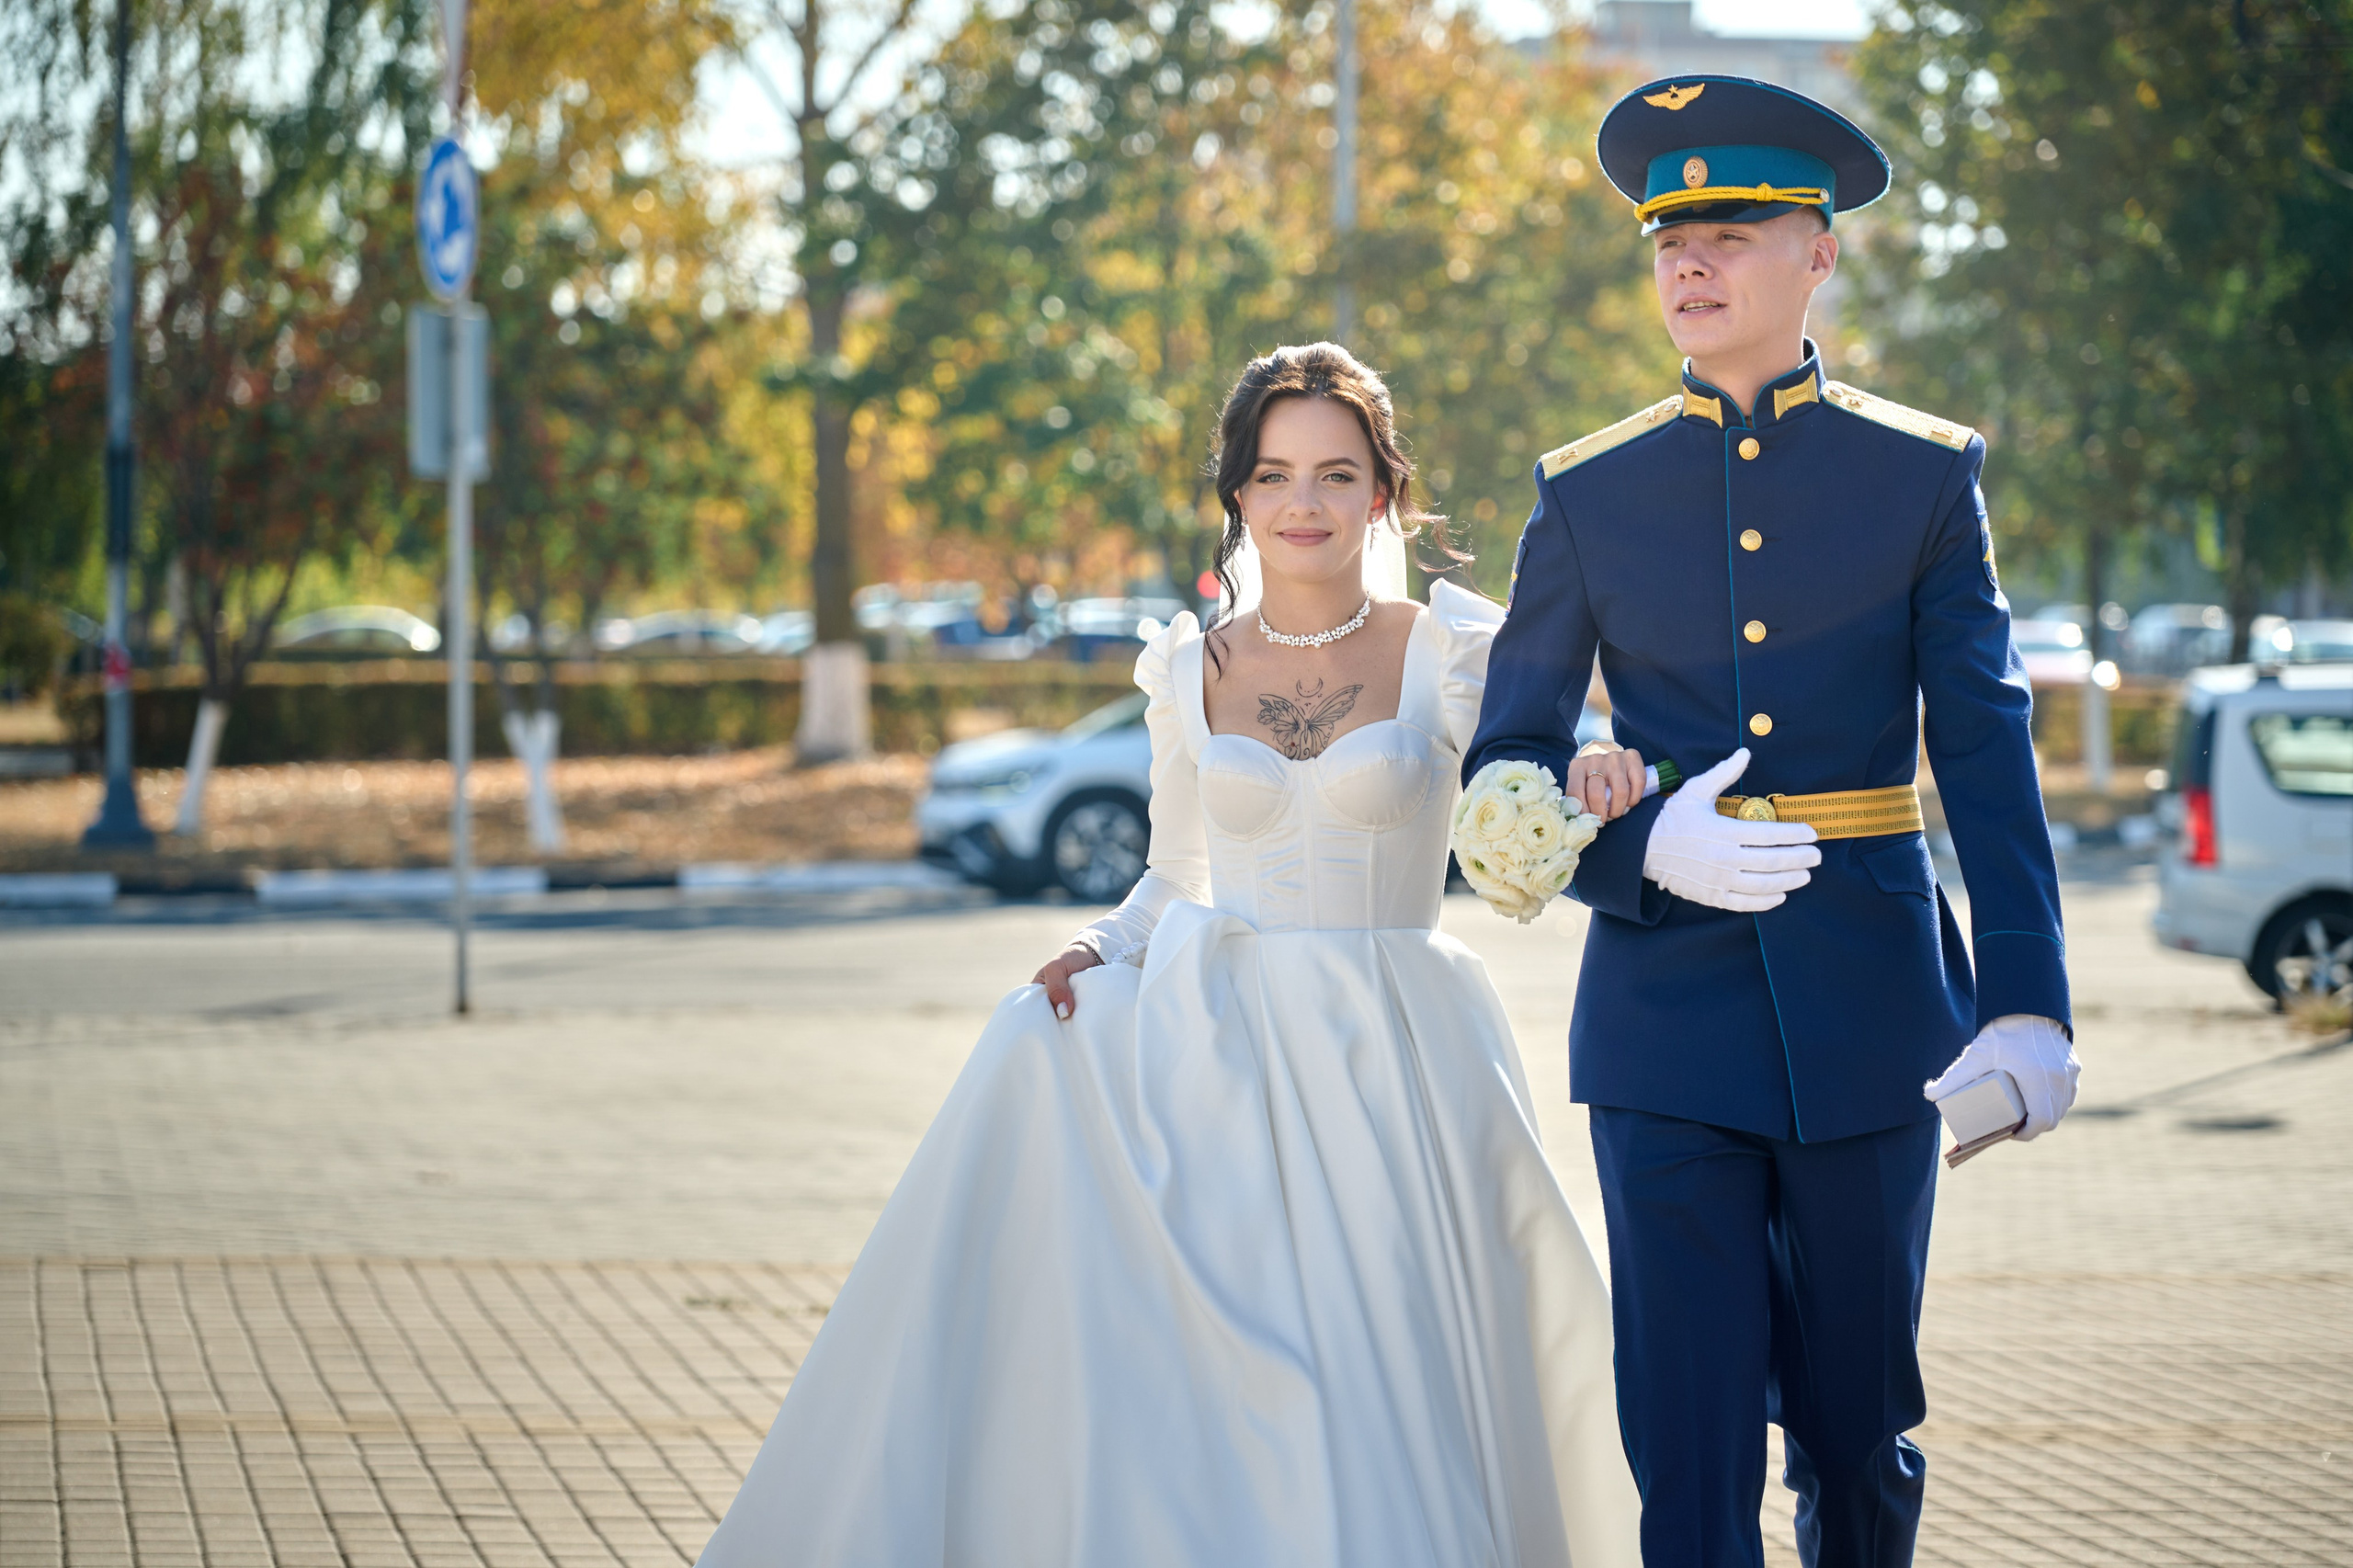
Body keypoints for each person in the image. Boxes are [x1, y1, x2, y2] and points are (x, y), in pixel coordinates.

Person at [697, 343, 1643, 1568]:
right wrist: (1098, 945)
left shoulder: (1450, 651)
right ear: (1239, 496)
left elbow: (1542, 765)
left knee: (1386, 1360)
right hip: (1217, 1056)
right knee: (1226, 1369)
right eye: (1275, 474)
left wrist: (1602, 773)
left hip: (1392, 1057)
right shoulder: (1186, 668)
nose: (1304, 502)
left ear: (1382, 492)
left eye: (1336, 474)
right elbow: (1174, 868)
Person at [1463, 76, 2080, 1568]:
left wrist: (2030, 1007)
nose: (1691, 261)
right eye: (1670, 237)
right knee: (1684, 1453)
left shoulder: (1925, 475)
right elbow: (1502, 771)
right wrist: (1634, 851)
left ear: (1822, 254)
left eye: (1732, 231)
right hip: (1662, 1028)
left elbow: (1986, 750)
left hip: (1875, 1022)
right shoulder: (1588, 493)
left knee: (1862, 1438)